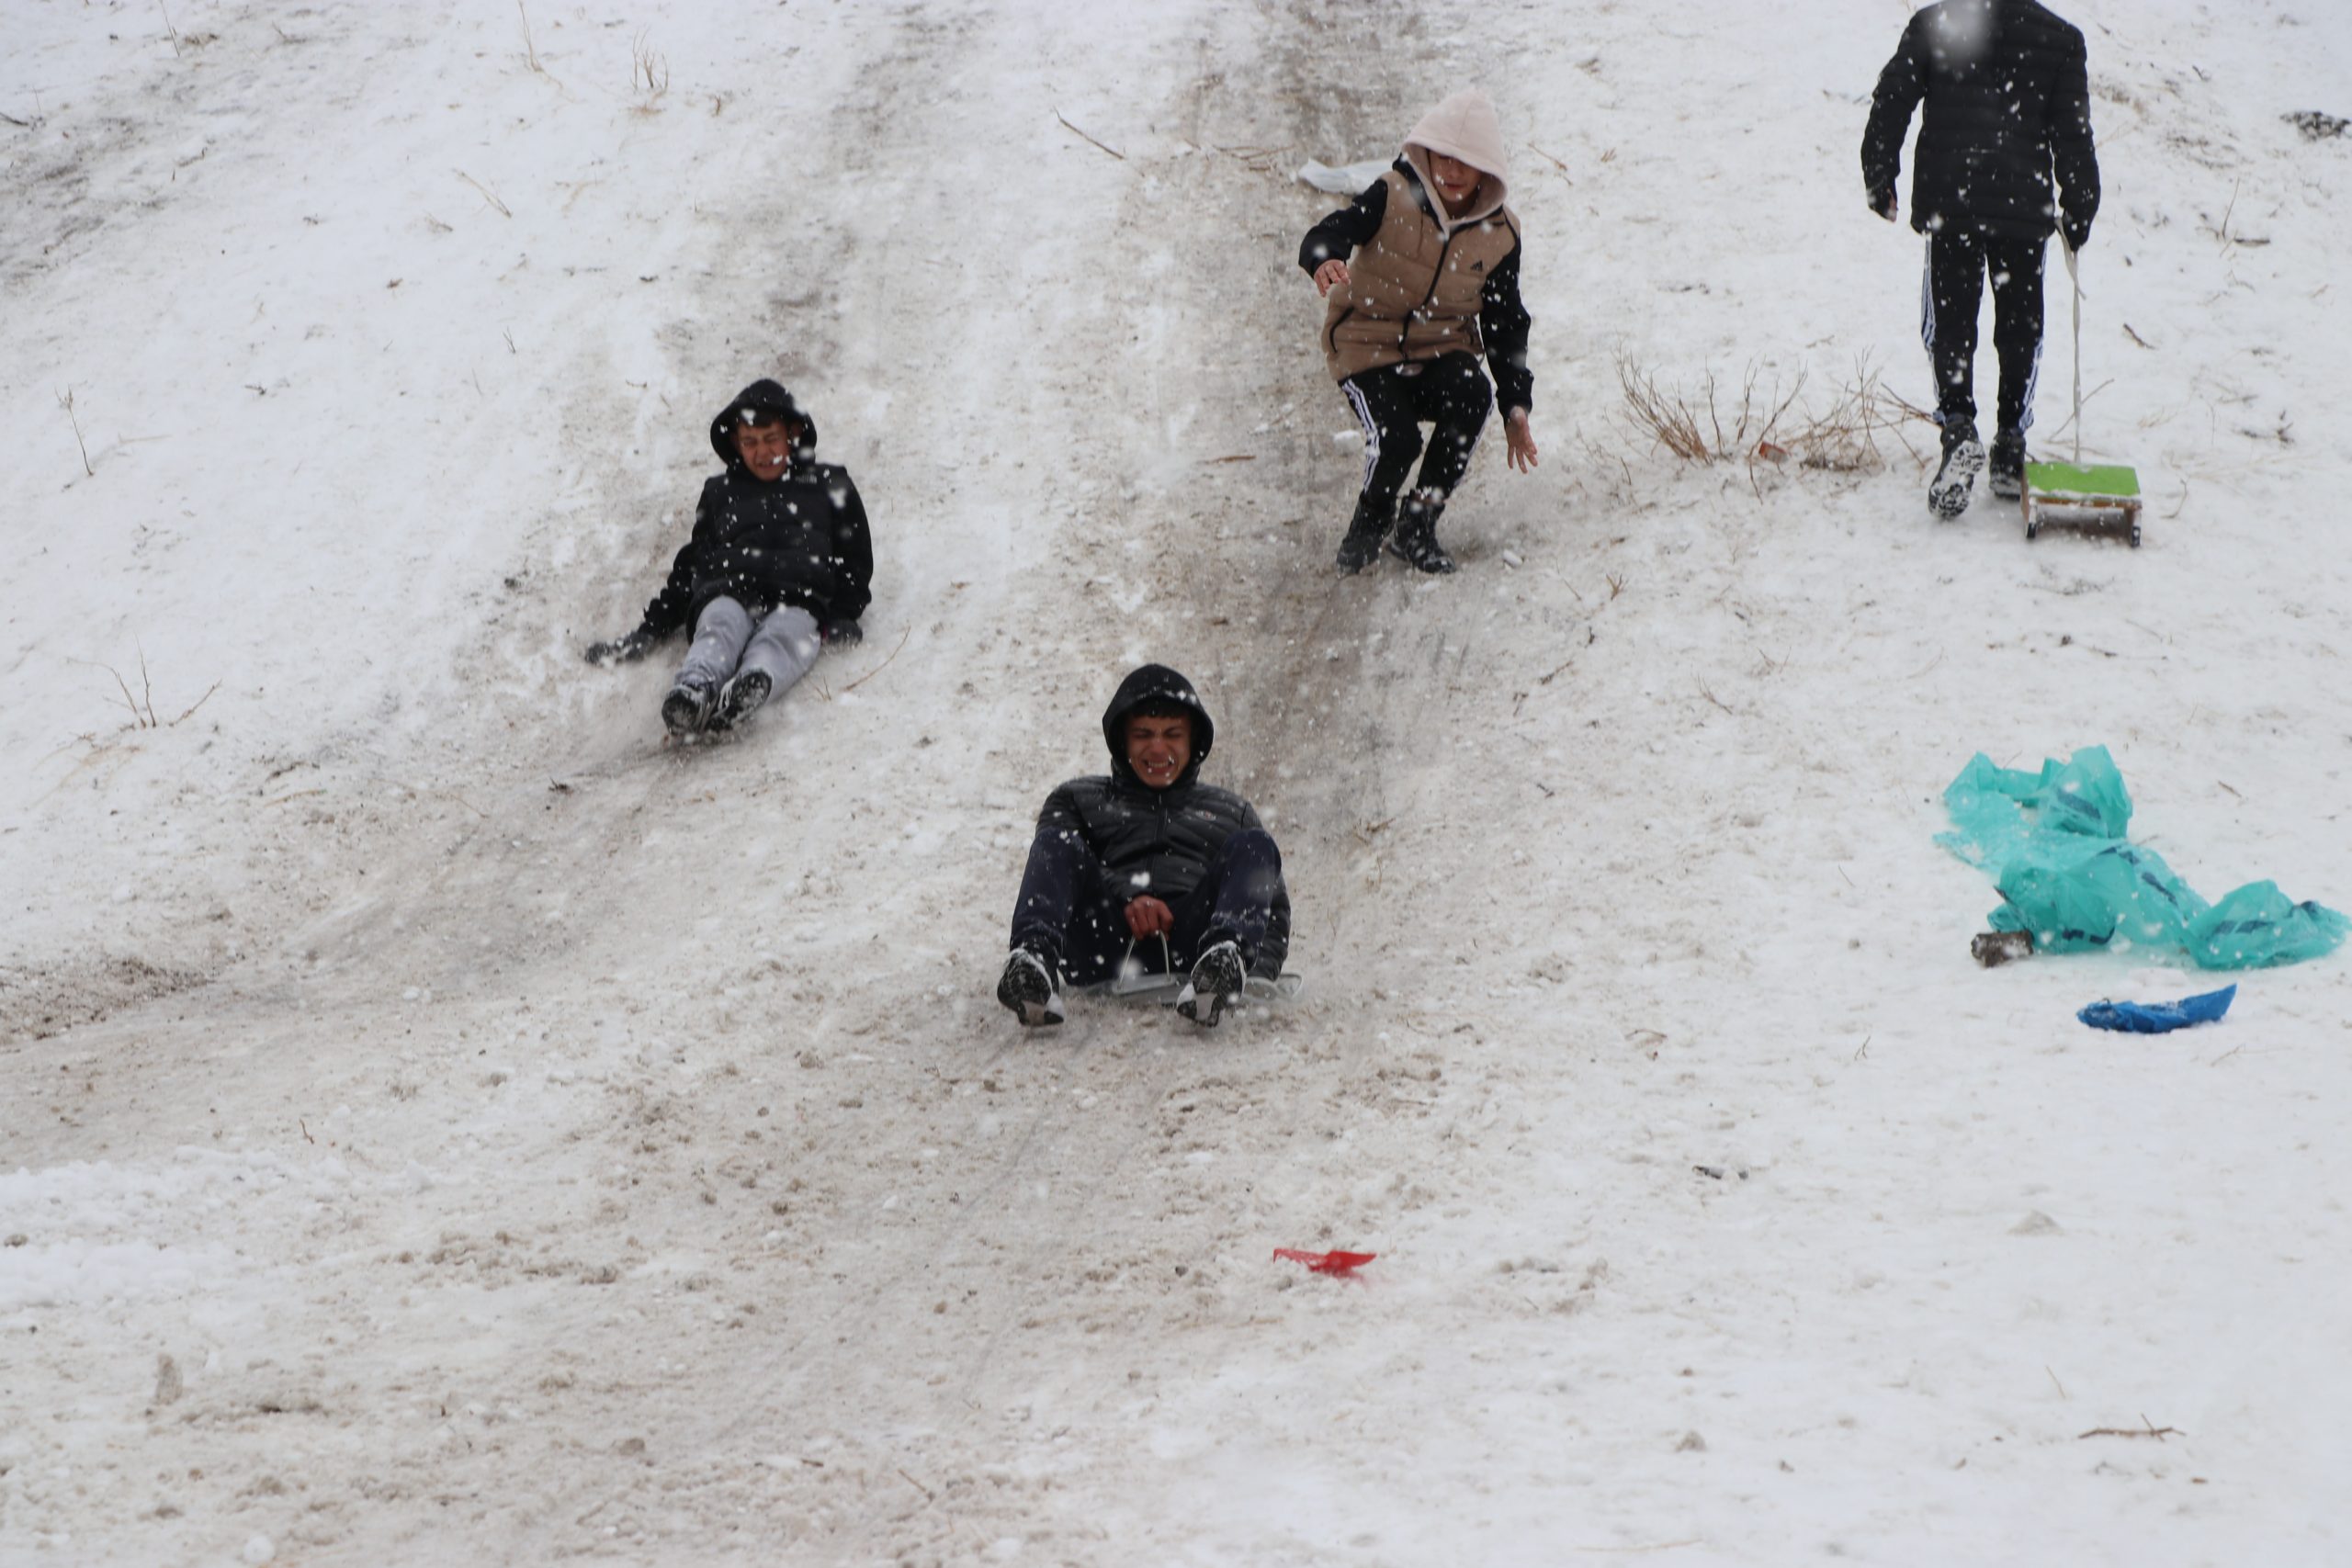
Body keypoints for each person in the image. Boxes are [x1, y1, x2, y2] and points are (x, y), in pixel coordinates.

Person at [1861, 0, 2100, 518]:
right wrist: (2080, 204)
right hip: (2022, 206)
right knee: (2021, 327)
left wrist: (1880, 172)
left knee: (1948, 325)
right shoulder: (2059, 38)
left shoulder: (1936, 23)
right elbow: (2073, 132)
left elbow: (1893, 96)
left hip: (1952, 203)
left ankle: (1958, 428)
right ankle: (2010, 440)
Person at [1300, 87, 1538, 576]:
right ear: (1426, 153)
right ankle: (1371, 520)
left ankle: (1417, 524)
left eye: (1466, 162)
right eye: (1443, 157)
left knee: (1473, 395)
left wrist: (1516, 402)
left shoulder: (1500, 235)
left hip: (1440, 349)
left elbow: (1505, 322)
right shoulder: (1392, 194)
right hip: (1365, 345)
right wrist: (1324, 258)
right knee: (1399, 439)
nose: (1452, 171)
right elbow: (1333, 230)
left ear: (1487, 169)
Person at [996, 665, 1292, 1029]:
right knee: (1055, 842)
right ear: (1123, 741)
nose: (1157, 748)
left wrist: (1258, 975)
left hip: (1194, 948)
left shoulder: (1234, 812)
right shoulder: (1076, 799)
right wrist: (1129, 896)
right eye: (1143, 735)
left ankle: (1224, 965)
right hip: (1103, 943)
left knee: (1255, 845)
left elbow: (1273, 909)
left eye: (1172, 735)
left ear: (1192, 742)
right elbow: (1056, 869)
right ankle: (1032, 965)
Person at [584, 379, 872, 736]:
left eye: (771, 439)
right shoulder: (721, 492)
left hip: (799, 597)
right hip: (730, 589)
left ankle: (753, 683)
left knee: (784, 636)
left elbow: (854, 559)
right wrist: (651, 629)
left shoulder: (829, 484)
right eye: (750, 442)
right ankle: (693, 690)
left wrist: (842, 613)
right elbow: (693, 563)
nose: (762, 452)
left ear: (793, 434)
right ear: (736, 443)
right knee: (718, 626)